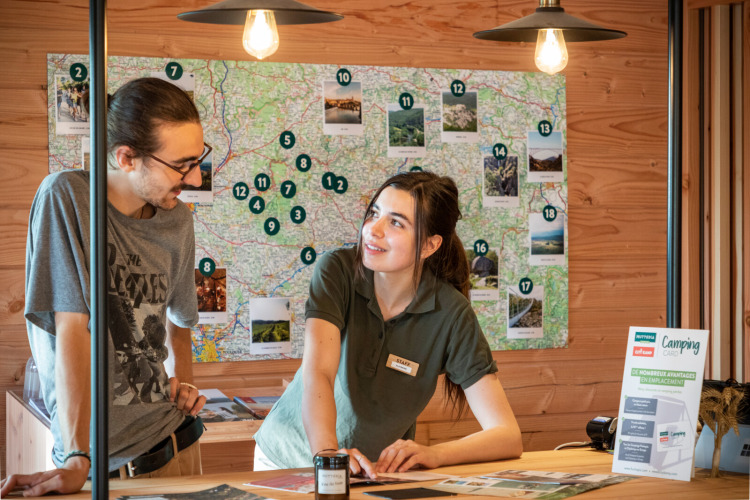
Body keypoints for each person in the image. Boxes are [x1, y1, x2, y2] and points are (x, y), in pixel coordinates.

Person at [1, 77, 211, 497]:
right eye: (182, 164)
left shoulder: (178, 222)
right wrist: (79, 456)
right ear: (127, 157)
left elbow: (180, 315)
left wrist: (183, 380)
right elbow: (73, 327)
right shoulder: (67, 198)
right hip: (99, 470)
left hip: (176, 447)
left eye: (198, 160)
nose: (195, 180)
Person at [254, 171, 522, 477]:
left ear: (429, 245)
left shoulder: (452, 314)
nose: (373, 230)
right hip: (287, 460)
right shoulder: (337, 271)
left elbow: (507, 434)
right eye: (374, 213)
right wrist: (328, 456)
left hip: (374, 474)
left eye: (396, 222)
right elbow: (320, 372)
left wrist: (435, 454)